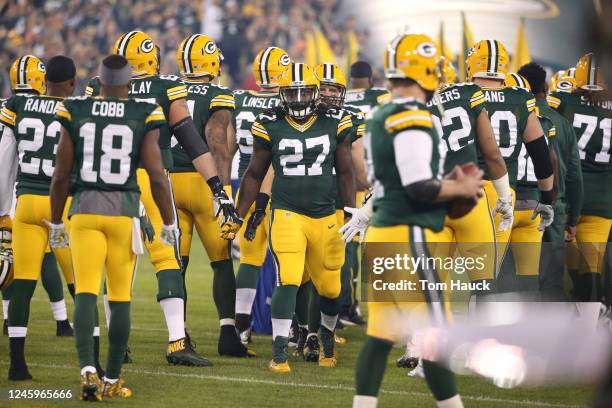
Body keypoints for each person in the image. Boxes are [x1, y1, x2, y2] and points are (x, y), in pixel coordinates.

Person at [85, 31, 240, 364]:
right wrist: (217, 187)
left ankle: (117, 345)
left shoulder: (96, 87)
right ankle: (177, 342)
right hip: (150, 179)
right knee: (167, 256)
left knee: (116, 262)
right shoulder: (166, 86)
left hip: (103, 184)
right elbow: (192, 139)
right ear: (150, 58)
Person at [347, 33, 482, 408]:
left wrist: (450, 185)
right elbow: (419, 186)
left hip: (383, 233)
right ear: (423, 69)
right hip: (408, 235)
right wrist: (461, 187)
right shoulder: (413, 116)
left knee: (379, 335)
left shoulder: (380, 113)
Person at [49, 54, 178, 400]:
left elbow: (61, 175)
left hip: (85, 210)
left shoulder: (76, 110)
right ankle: (113, 377)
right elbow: (156, 176)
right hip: (123, 212)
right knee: (120, 297)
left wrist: (57, 219)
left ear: (100, 83)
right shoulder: (143, 112)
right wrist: (167, 222)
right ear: (129, 84)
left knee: (87, 292)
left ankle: (87, 369)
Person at [222, 62, 356, 373]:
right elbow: (255, 174)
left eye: (304, 92)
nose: (297, 100)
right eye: (291, 93)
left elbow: (347, 172)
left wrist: (351, 212)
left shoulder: (336, 120)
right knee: (288, 279)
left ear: (315, 93)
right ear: (281, 94)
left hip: (326, 215)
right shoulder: (269, 122)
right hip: (286, 212)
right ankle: (280, 352)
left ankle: (325, 338)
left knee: (331, 287)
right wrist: (239, 215)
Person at [172, 34, 252, 359]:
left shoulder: (170, 91)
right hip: (204, 185)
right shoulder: (219, 94)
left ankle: (178, 334)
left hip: (167, 184)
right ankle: (227, 333)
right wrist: (222, 190)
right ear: (212, 62)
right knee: (221, 263)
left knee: (175, 265)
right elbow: (216, 139)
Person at [1, 55, 80, 381]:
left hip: (25, 206)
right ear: (72, 82)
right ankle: (94, 360)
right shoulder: (76, 108)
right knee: (81, 281)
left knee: (22, 284)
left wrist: (3, 211)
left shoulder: (16, 106)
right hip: (59, 209)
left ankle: (17, 364)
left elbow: (4, 161)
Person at [466, 40, 555, 283]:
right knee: (486, 277)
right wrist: (546, 199)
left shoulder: (459, 94)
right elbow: (541, 156)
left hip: (459, 192)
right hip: (500, 195)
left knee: (436, 271)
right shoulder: (519, 99)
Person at [229, 46, 290, 345]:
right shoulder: (286, 102)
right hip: (275, 187)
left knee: (249, 260)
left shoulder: (238, 98)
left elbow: (227, 146)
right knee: (286, 259)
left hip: (243, 185)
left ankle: (242, 326)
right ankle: (292, 329)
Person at [547, 53, 611, 304]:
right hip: (604, 199)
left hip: (568, 194)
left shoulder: (563, 100)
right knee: (592, 267)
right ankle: (594, 322)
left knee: (564, 264)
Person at [518, 62, 583, 301]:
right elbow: (575, 175)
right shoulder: (562, 123)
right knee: (552, 283)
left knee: (519, 279)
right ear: (545, 87)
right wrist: (573, 218)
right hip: (556, 209)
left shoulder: (515, 115)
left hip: (522, 205)